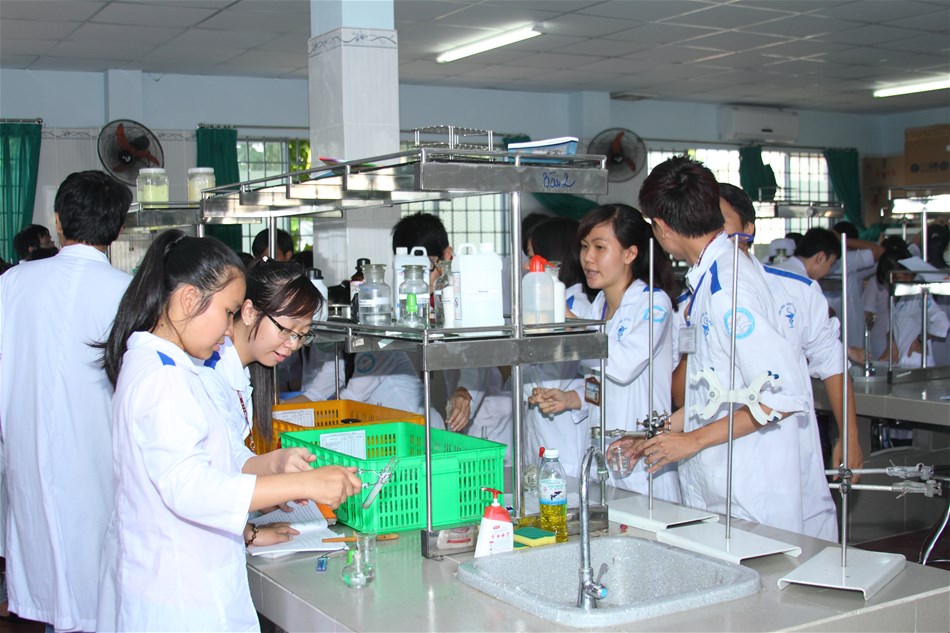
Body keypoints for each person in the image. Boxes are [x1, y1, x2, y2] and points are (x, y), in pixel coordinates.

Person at [96, 230, 361, 631]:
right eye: (228, 311)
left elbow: (219, 455)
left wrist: (275, 468)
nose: (228, 329)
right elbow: (190, 487)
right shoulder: (162, 378)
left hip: (192, 582)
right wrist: (303, 484)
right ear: (189, 299)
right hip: (180, 596)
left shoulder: (172, 367)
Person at [633, 156, 815, 536]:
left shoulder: (728, 290)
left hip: (748, 488)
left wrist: (691, 441)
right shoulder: (711, 277)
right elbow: (721, 389)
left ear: (662, 228)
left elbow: (783, 396)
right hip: (722, 479)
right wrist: (658, 434)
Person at [0, 171, 131, 631]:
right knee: (102, 589)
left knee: (48, 573)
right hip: (100, 456)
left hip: (28, 452)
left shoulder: (13, 283)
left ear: (58, 221)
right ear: (118, 228)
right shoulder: (128, 292)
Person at [719, 186, 857, 537]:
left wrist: (848, 435)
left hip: (791, 453)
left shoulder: (795, 290)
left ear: (748, 229)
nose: (714, 235)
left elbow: (832, 363)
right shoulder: (699, 296)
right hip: (726, 456)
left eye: (721, 223)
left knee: (805, 550)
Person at [528, 204, 680, 501]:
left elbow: (622, 366)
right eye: (585, 246)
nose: (588, 257)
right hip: (604, 455)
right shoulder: (598, 306)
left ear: (630, 254)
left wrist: (573, 327)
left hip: (642, 459)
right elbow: (598, 384)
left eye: (600, 247)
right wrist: (570, 398)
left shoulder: (652, 303)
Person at [197, 258, 325, 464]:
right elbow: (225, 462)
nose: (293, 345)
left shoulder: (244, 372)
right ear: (249, 312)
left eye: (302, 334)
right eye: (286, 330)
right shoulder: (210, 373)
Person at [520, 217, 593, 477]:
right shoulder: (543, 303)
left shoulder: (578, 307)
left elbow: (574, 375)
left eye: (532, 257)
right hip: (541, 426)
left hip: (566, 430)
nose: (526, 266)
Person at [828, 221, 884, 346]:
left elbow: (879, 255)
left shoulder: (849, 263)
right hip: (850, 333)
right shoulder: (847, 259)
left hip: (845, 333)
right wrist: (842, 240)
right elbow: (878, 251)